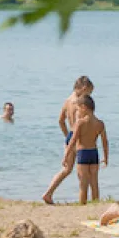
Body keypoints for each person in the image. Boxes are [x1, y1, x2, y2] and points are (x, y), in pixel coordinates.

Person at [41, 76, 93, 204]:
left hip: (70, 135)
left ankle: (48, 193)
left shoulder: (67, 101)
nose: (89, 98)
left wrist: (67, 137)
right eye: (89, 93)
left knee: (67, 169)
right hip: (79, 137)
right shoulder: (79, 104)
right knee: (84, 170)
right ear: (84, 88)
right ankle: (84, 200)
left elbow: (60, 120)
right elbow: (81, 122)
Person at [70, 95, 108, 204]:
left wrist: (66, 155)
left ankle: (82, 205)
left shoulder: (80, 123)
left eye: (78, 109)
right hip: (94, 153)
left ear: (83, 107)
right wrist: (106, 157)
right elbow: (105, 142)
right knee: (94, 182)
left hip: (83, 153)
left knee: (83, 184)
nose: (77, 112)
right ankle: (96, 204)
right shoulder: (100, 123)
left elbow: (73, 140)